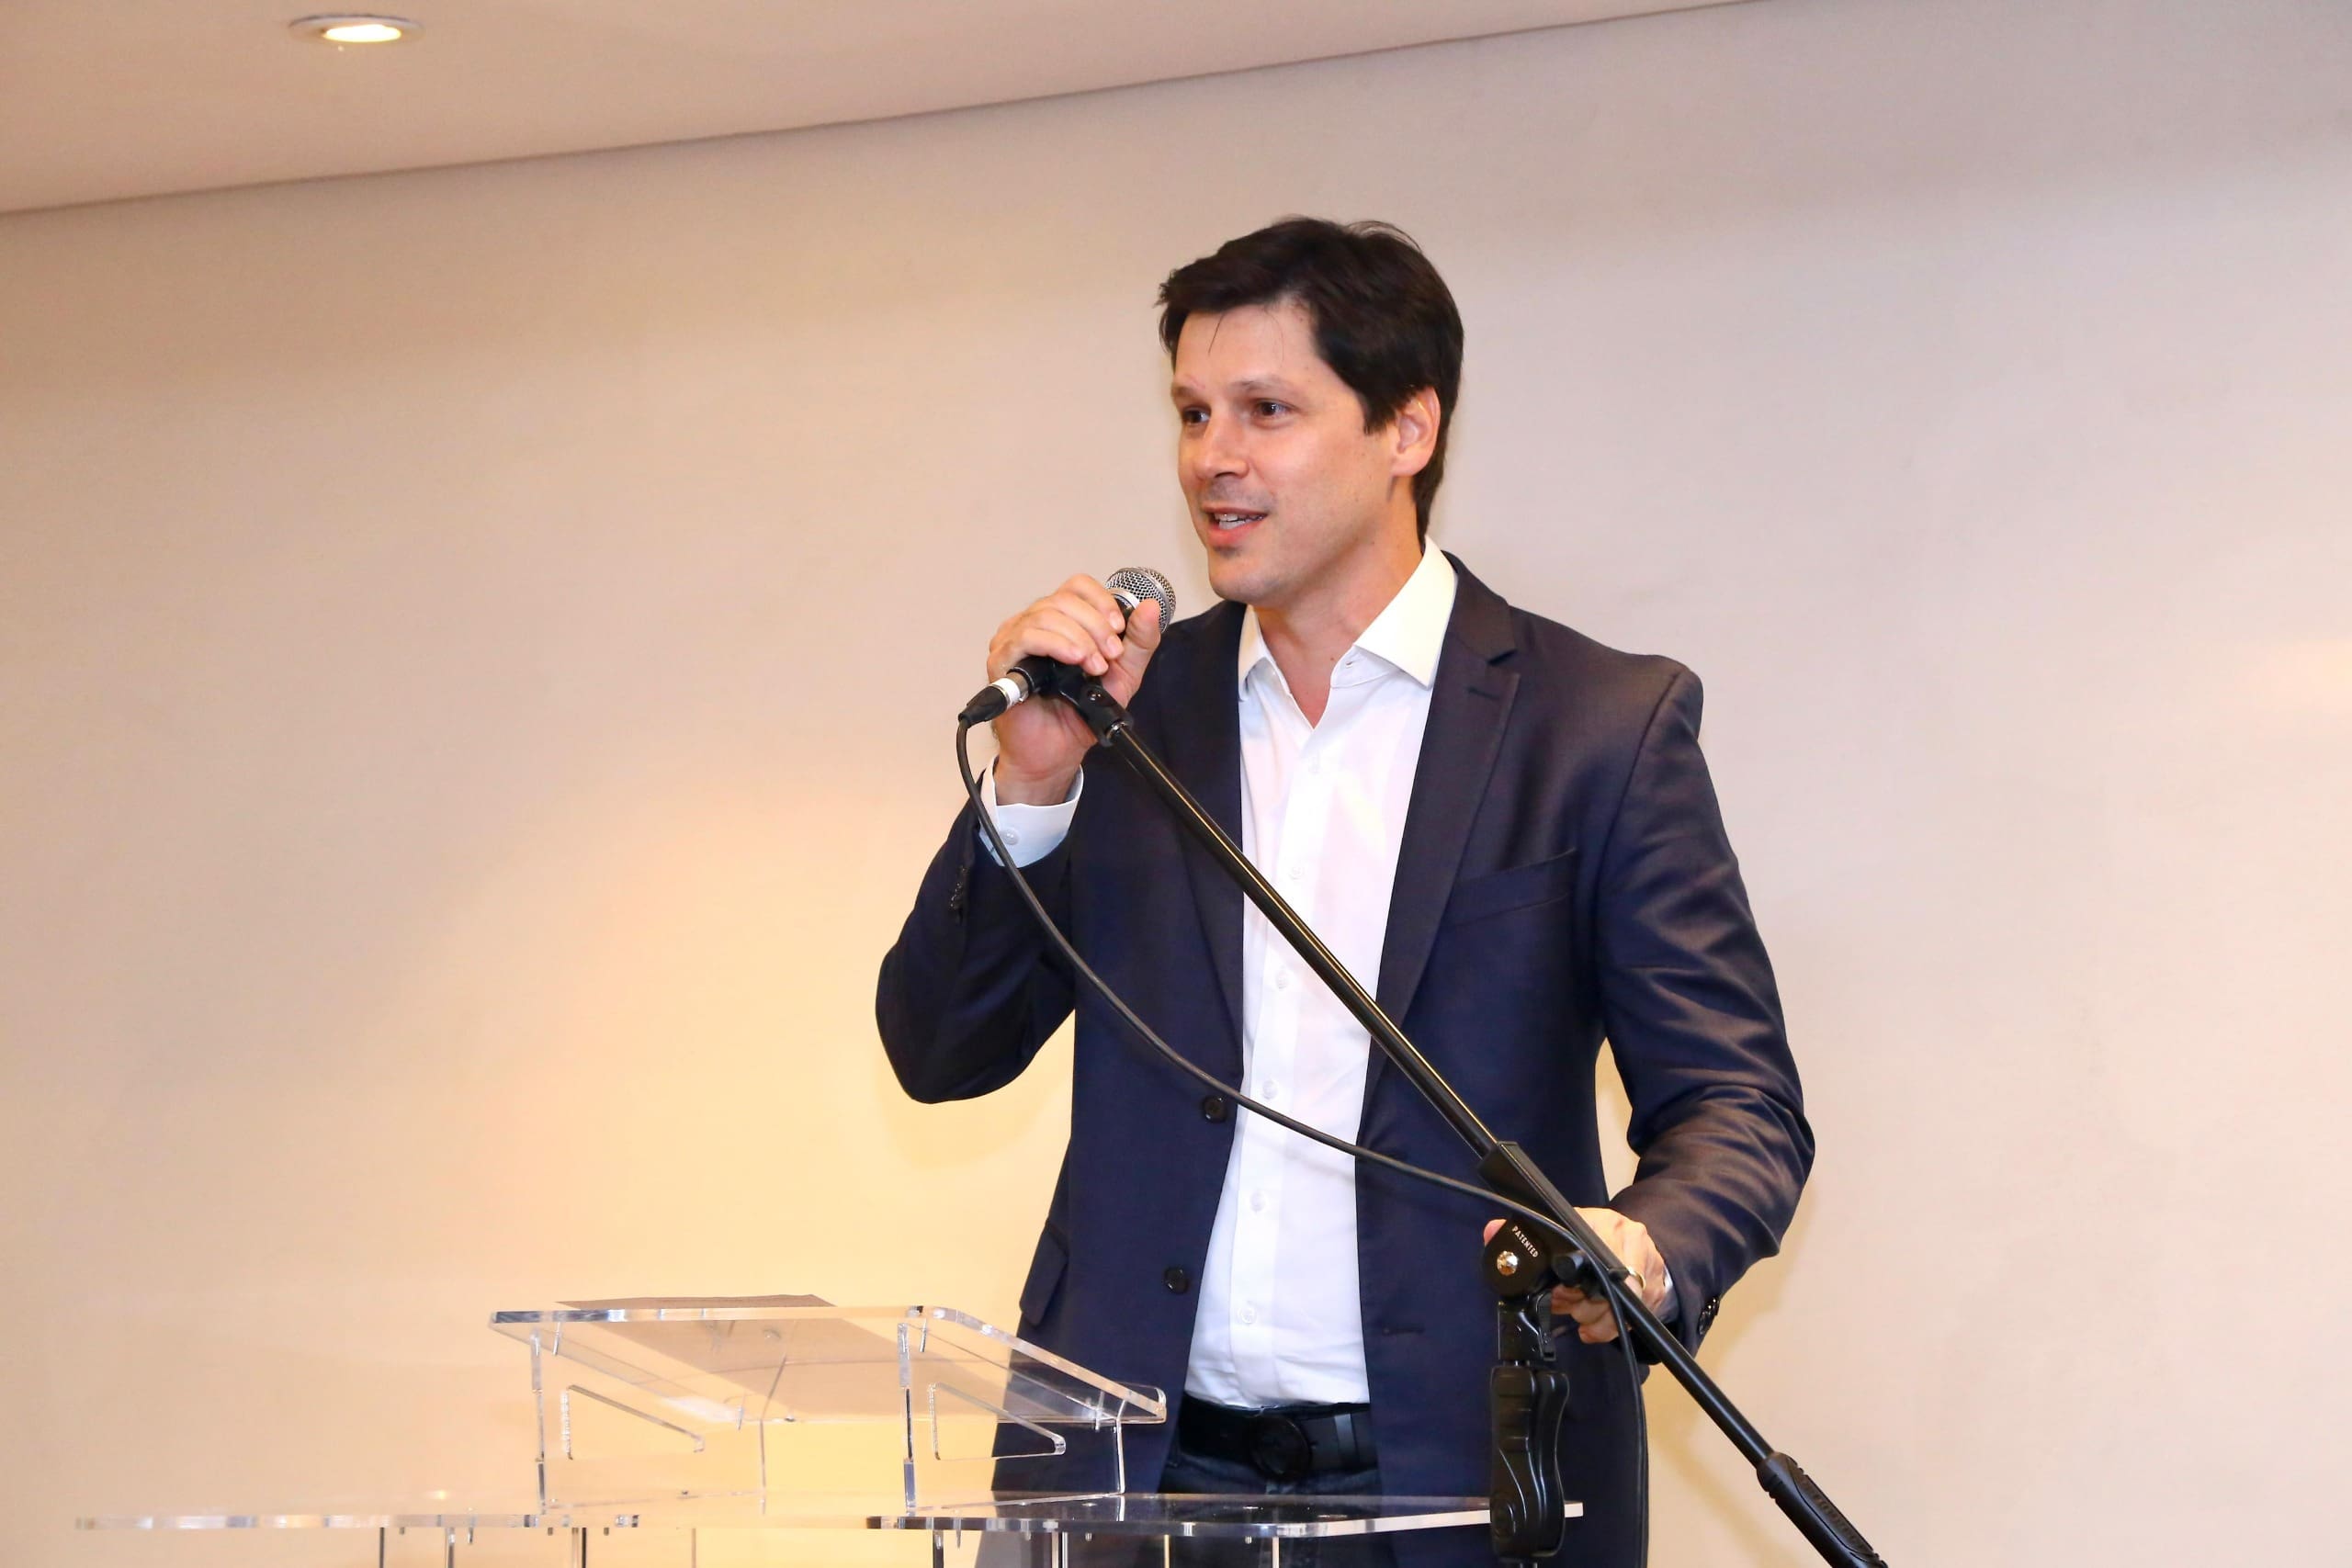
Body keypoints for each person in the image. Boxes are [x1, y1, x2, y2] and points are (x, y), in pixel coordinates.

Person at [876, 218, 1811, 1568]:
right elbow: (939, 1052)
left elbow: (1739, 1104)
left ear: (1406, 429)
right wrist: (1031, 788)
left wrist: (1648, 1249)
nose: (1214, 457)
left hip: (1460, 1482)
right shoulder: (1126, 718)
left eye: (1267, 410)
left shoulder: (1595, 726)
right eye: (1193, 412)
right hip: (1140, 1477)